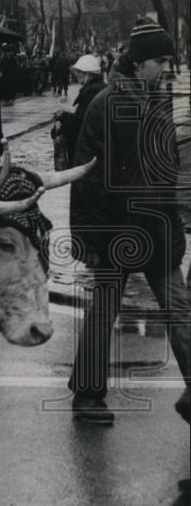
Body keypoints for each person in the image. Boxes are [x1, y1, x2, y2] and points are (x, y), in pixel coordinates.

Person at [68, 21, 190, 426]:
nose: (167, 69)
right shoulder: (105, 104)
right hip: (116, 230)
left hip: (156, 228)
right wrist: (89, 238)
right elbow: (87, 176)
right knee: (104, 312)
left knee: (181, 311)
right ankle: (86, 397)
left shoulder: (156, 99)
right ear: (138, 63)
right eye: (161, 61)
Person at [52, 54, 106, 168]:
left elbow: (80, 121)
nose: (76, 75)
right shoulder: (96, 87)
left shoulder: (91, 91)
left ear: (88, 73)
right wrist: (66, 115)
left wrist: (62, 125)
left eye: (79, 72)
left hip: (87, 149)